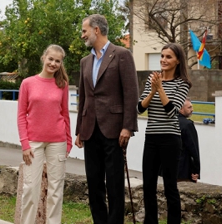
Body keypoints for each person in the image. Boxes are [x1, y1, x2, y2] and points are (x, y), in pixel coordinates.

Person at [74, 14, 139, 224]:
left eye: (84, 31)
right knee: (94, 184)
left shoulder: (122, 54)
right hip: (90, 130)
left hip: (115, 131)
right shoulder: (85, 61)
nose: (82, 35)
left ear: (96, 30)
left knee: (114, 184)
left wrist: (128, 126)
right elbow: (83, 97)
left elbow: (131, 93)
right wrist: (79, 130)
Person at [17, 44, 72, 224]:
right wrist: (25, 144)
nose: (53, 63)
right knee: (30, 189)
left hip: (58, 142)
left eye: (57, 61)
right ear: (44, 58)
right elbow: (21, 116)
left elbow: (65, 114)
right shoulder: (27, 83)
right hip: (33, 143)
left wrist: (68, 142)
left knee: (56, 190)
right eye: (51, 59)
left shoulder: (62, 85)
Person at [137, 43, 191, 223]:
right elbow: (139, 108)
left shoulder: (182, 84)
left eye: (168, 57)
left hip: (170, 139)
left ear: (177, 61)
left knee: (170, 187)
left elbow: (172, 111)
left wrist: (160, 89)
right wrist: (152, 90)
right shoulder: (153, 79)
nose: (163, 60)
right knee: (149, 186)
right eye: (162, 56)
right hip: (151, 138)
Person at [178, 98, 200, 183]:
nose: (192, 110)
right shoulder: (187, 125)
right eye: (189, 107)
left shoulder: (169, 122)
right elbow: (193, 149)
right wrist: (196, 171)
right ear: (180, 109)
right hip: (184, 170)